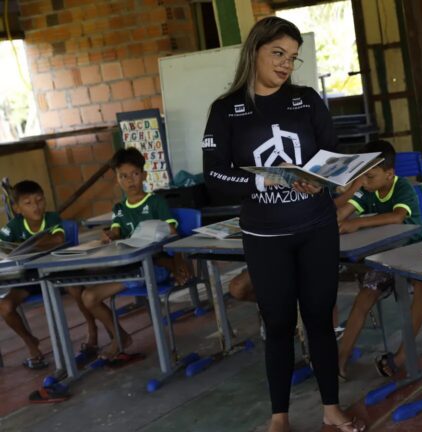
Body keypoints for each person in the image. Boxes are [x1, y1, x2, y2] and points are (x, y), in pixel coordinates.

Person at [201, 17, 363, 432]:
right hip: (265, 237)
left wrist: (325, 180)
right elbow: (215, 178)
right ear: (255, 50)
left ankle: (331, 408)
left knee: (319, 318)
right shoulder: (226, 110)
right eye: (278, 53)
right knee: (277, 325)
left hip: (316, 229)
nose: (286, 63)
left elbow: (332, 158)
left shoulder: (307, 100)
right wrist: (263, 177)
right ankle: (280, 417)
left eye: (292, 57)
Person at [82, 148, 188, 361]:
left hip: (154, 268)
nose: (130, 180)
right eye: (123, 176)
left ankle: (126, 343)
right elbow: (117, 231)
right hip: (131, 268)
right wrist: (110, 234)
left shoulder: (155, 202)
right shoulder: (120, 208)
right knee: (88, 297)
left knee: (90, 295)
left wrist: (177, 265)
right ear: (117, 180)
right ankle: (120, 337)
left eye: (135, 174)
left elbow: (173, 234)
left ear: (144, 175)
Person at [335, 140, 422, 380]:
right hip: (385, 257)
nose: (365, 182)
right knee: (364, 297)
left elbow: (398, 217)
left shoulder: (402, 187)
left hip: (414, 251)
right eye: (362, 176)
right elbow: (340, 215)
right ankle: (340, 360)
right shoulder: (366, 190)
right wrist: (354, 188)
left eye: (370, 177)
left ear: (390, 174)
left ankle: (401, 356)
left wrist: (357, 223)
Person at [0, 180, 98, 368]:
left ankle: (92, 329)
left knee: (76, 289)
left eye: (39, 200)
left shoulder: (51, 218)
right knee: (4, 307)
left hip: (57, 275)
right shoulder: (13, 226)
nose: (36, 206)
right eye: (28, 203)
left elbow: (58, 239)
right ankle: (31, 342)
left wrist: (29, 245)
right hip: (28, 280)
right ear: (17, 208)